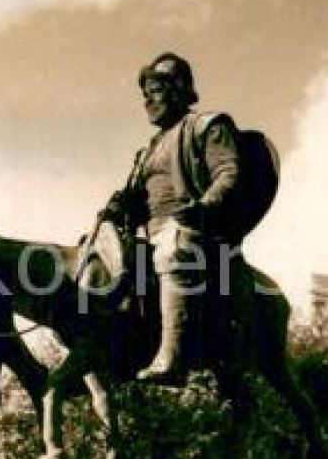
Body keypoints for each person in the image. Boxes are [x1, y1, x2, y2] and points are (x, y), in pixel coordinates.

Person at [103, 52, 241, 385]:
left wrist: (205, 206)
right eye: (146, 91)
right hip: (150, 236)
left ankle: (173, 359)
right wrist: (119, 207)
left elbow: (228, 172)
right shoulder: (147, 150)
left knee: (172, 246)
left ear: (180, 89)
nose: (148, 99)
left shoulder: (207, 125)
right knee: (99, 262)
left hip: (195, 232)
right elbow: (137, 201)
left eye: (158, 88)